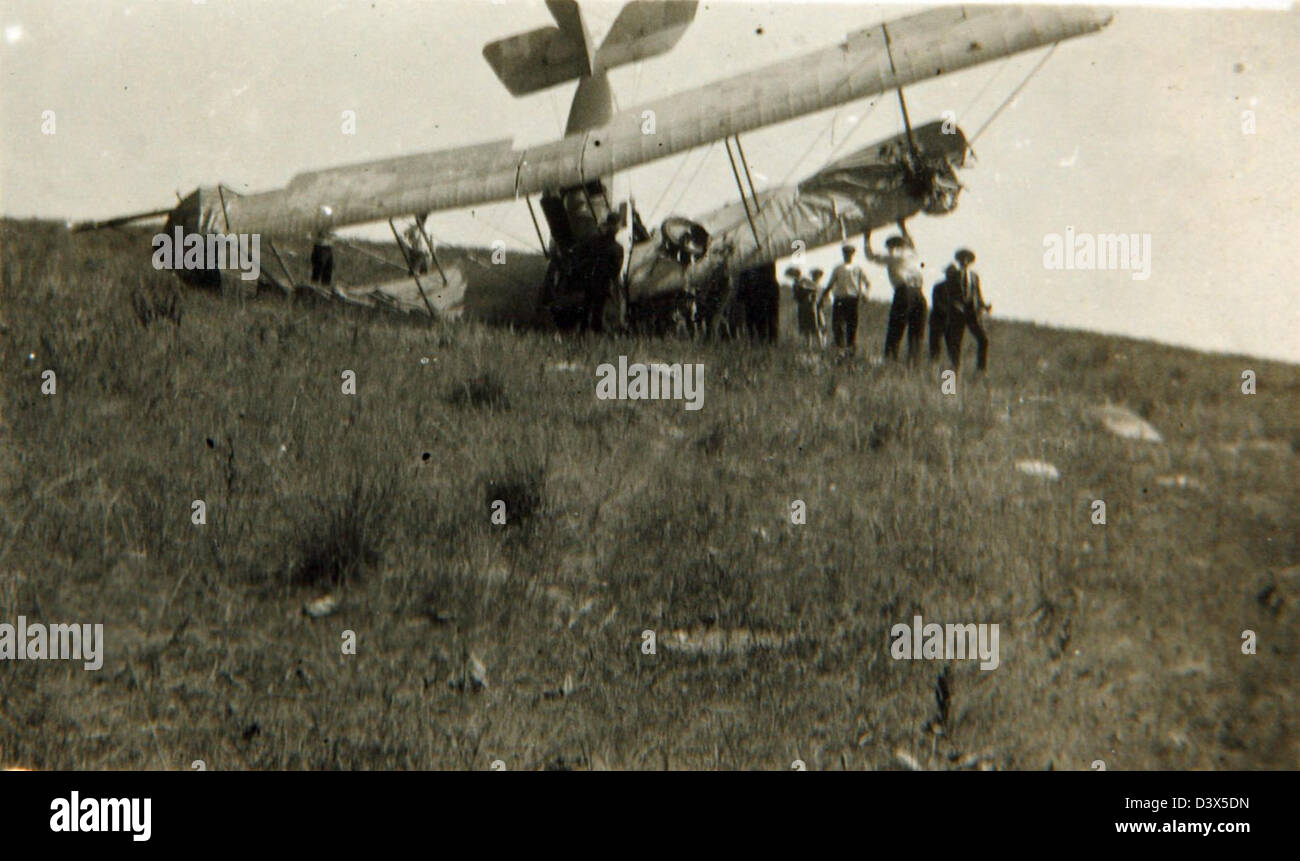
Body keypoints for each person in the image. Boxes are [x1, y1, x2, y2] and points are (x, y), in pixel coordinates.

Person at [866, 226, 926, 363]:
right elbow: (911, 242)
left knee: (896, 328)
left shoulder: (892, 256)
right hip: (919, 293)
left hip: (904, 293)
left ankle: (890, 359)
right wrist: (904, 227)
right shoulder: (913, 254)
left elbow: (870, 256)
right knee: (917, 332)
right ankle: (914, 364)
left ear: (892, 246)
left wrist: (867, 238)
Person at [946, 247, 990, 371]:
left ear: (970, 261)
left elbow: (978, 294)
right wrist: (956, 305)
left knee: (983, 339)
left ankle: (981, 370)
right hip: (957, 312)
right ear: (958, 261)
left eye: (967, 259)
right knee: (956, 341)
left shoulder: (974, 276)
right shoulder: (953, 275)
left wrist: (984, 306)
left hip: (972, 312)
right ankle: (955, 368)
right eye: (962, 259)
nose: (964, 261)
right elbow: (949, 294)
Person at [820, 244, 869, 350]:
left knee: (852, 326)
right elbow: (830, 283)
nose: (847, 255)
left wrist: (865, 293)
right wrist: (822, 297)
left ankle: (851, 350)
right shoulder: (838, 268)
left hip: (852, 298)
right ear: (843, 254)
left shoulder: (857, 268)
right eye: (846, 253)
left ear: (853, 254)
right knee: (837, 325)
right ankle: (840, 348)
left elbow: (867, 283)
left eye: (849, 253)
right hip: (840, 299)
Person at [930, 263, 960, 361]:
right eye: (948, 273)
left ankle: (954, 369)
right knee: (935, 347)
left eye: (952, 273)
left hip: (951, 321)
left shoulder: (958, 288)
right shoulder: (938, 286)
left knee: (953, 348)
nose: (950, 275)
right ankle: (934, 368)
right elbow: (936, 302)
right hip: (938, 319)